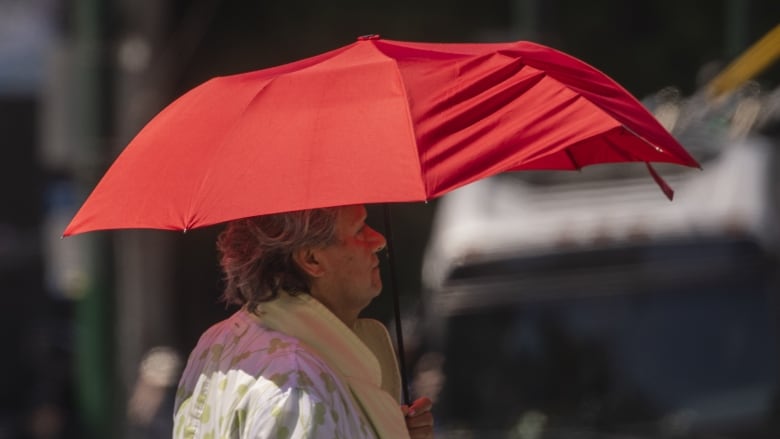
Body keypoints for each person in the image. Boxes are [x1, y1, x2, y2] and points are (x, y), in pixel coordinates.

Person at [173, 204, 434, 438]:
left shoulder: (216, 342)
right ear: (311, 259)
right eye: (358, 230)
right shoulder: (297, 386)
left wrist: (382, 427)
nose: (378, 239)